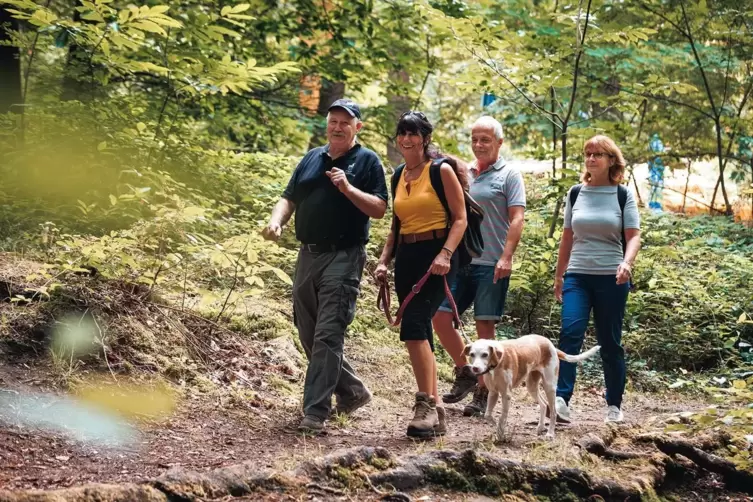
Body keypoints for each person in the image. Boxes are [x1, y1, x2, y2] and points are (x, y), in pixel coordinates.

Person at [262, 98, 388, 434]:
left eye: (345, 122)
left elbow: (379, 208)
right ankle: (352, 391)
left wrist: (348, 188)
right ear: (327, 124)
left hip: (344, 256)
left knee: (328, 334)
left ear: (357, 127)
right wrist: (277, 222)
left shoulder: (367, 161)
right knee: (308, 332)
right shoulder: (311, 158)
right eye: (333, 121)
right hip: (308, 255)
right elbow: (289, 196)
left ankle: (315, 413)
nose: (337, 127)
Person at [375, 111, 467, 438]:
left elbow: (460, 219)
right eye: (402, 134)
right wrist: (384, 261)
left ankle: (424, 404)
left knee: (414, 327)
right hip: (408, 258)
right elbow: (396, 227)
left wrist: (445, 254)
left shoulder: (440, 171)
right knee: (420, 330)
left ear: (425, 138)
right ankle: (438, 412)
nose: (407, 139)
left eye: (413, 134)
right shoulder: (399, 173)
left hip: (438, 256)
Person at [431, 116, 526, 417]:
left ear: (499, 142)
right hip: (462, 261)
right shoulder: (465, 173)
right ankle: (469, 373)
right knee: (440, 316)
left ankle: (485, 393)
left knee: (485, 328)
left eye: (485, 139)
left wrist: (506, 256)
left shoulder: (510, 174)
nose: (479, 144)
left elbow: (517, 218)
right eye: (474, 138)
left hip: (492, 263)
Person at [552, 134, 641, 424]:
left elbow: (634, 236)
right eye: (587, 154)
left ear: (611, 160)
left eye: (598, 155)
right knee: (570, 332)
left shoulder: (622, 194)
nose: (591, 159)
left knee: (610, 342)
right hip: (578, 274)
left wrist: (626, 264)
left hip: (611, 278)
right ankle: (561, 399)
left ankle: (614, 405)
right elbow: (567, 237)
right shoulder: (576, 193)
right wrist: (559, 275)